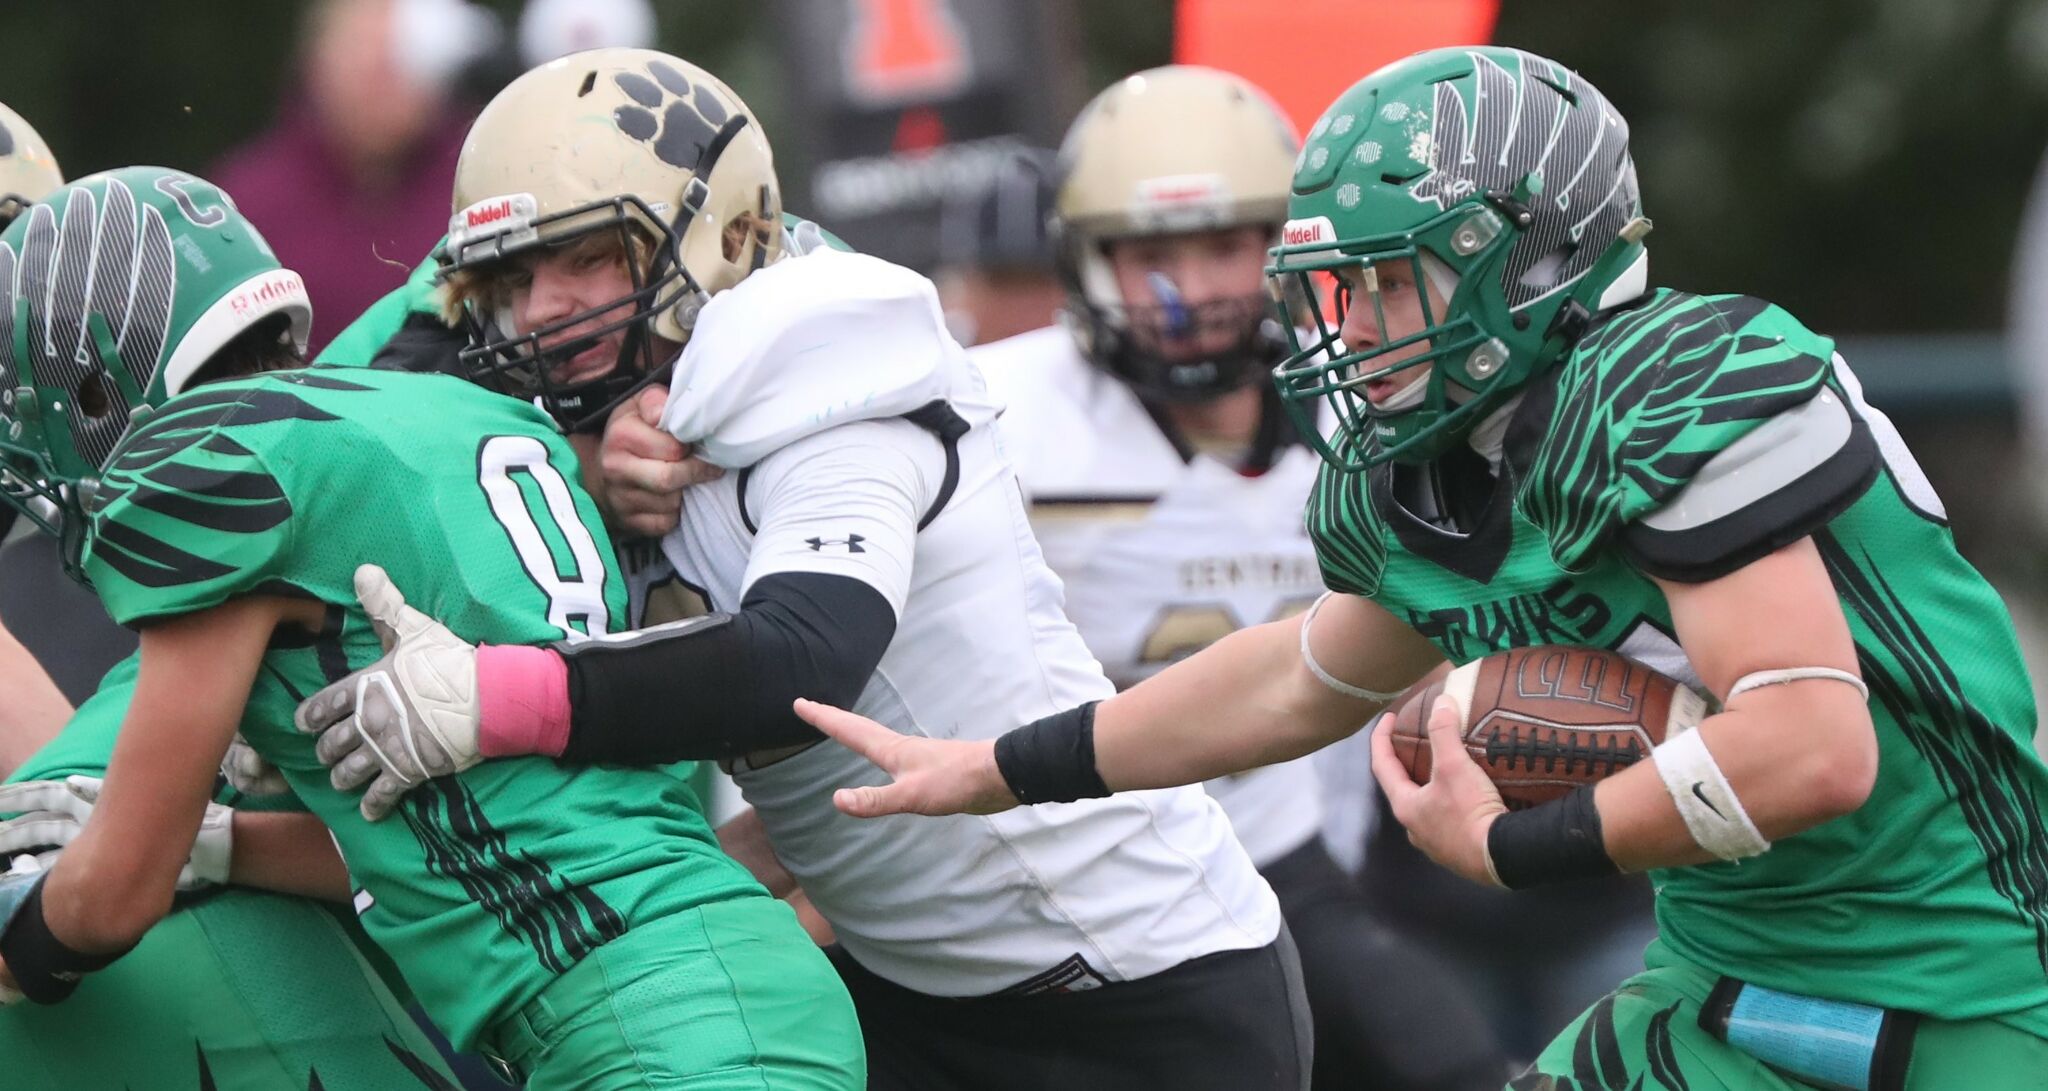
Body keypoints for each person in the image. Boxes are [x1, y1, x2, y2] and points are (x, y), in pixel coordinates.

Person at [786, 46, 2048, 1089]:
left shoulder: (1679, 385)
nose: (1355, 324)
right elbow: (1294, 679)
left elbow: (1815, 746)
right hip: (1716, 978)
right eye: (1341, 286)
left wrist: (1517, 844)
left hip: (1967, 980)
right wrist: (1004, 766)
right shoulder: (1432, 460)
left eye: (1393, 281)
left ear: (1535, 257)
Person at [298, 47, 1310, 1091]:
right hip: (911, 985)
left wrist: (493, 696)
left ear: (727, 237)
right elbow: (361, 401)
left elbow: (804, 658)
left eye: (589, 257)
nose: (546, 306)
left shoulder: (832, 371)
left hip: (1135, 991)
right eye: (513, 277)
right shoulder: (638, 425)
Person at [0, 165, 865, 1091]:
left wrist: (23, 936)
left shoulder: (227, 473)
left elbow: (115, 894)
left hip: (656, 1024)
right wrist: (224, 843)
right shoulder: (463, 412)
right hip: (713, 980)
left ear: (92, 389)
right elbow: (461, 842)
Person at [971, 64, 1505, 1090]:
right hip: (1044, 881)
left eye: (1225, 244)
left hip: (1292, 860)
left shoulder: (1384, 397)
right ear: (1084, 259)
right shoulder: (993, 413)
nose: (1196, 287)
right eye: (1152, 252)